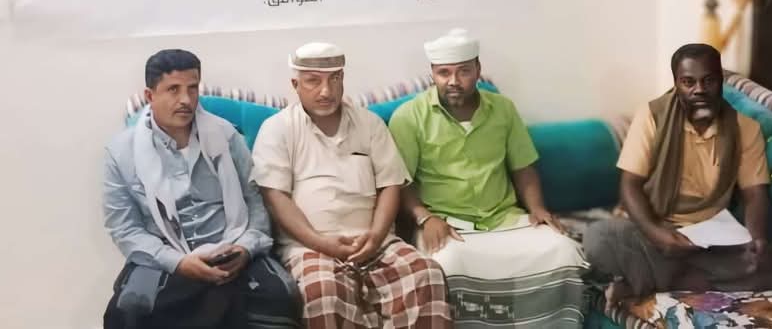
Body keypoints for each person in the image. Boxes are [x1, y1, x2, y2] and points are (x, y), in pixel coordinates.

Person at [388, 29, 587, 327]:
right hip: (447, 224)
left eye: (463, 71)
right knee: (446, 265)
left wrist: (537, 208)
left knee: (564, 250)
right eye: (444, 73)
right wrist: (425, 218)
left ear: (478, 70)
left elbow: (523, 168)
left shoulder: (503, 109)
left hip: (504, 218)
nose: (453, 81)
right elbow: (400, 181)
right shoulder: (409, 117)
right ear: (432, 74)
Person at [253, 42, 452, 328]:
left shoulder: (370, 124)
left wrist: (375, 237)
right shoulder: (277, 129)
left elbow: (390, 186)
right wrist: (321, 243)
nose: (326, 91)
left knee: (426, 274)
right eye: (313, 81)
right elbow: (275, 198)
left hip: (378, 244)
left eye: (334, 79)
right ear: (295, 85)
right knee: (323, 292)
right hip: (309, 248)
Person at [103, 49, 300, 329]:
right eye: (173, 89)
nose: (186, 99)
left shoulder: (226, 135)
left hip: (232, 251)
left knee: (279, 297)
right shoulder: (121, 152)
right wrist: (179, 263)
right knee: (128, 311)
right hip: (165, 258)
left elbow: (256, 203)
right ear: (150, 96)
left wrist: (244, 249)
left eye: (192, 88)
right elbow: (125, 229)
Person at [583, 43, 772, 304]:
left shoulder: (744, 128)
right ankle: (693, 279)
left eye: (708, 81)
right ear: (677, 83)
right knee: (598, 238)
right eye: (688, 82)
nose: (699, 89)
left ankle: (654, 281)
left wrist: (757, 238)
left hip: (709, 238)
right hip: (654, 227)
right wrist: (657, 234)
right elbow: (630, 185)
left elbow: (755, 194)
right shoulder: (652, 116)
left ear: (720, 81)